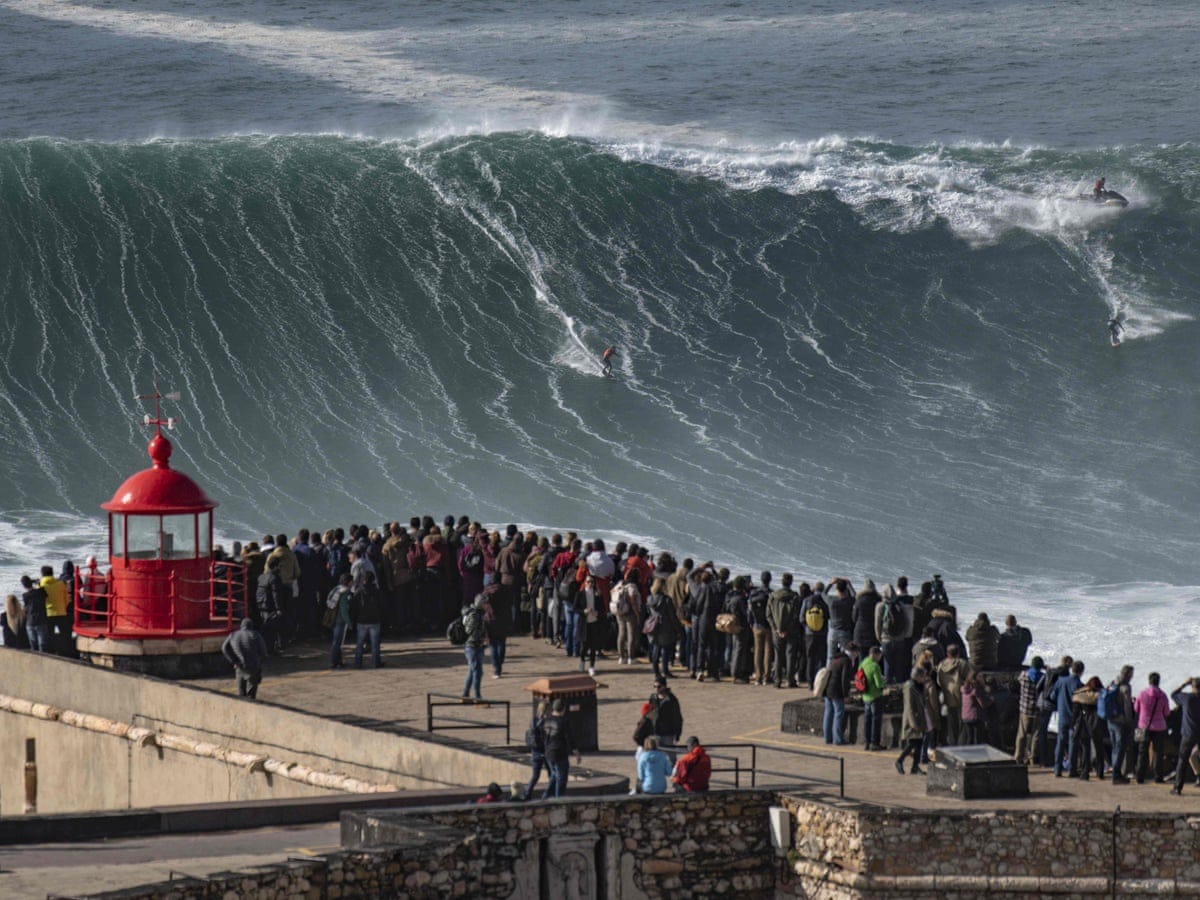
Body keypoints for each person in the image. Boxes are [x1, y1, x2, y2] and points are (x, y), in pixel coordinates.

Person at [540, 698, 581, 799]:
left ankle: (545, 796)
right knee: (561, 778)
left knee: (554, 774)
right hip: (559, 753)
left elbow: (542, 736)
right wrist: (576, 752)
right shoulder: (563, 721)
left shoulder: (546, 720)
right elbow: (569, 738)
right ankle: (559, 800)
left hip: (548, 752)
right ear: (563, 709)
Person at [1133, 672, 1169, 784]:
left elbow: (1136, 709)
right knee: (1158, 752)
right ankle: (1158, 777)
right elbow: (1166, 712)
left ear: (1149, 681)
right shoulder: (1163, 695)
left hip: (1144, 726)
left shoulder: (1142, 694)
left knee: (1142, 752)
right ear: (1159, 681)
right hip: (1159, 727)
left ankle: (1140, 776)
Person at [1050, 660, 1085, 777]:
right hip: (1074, 719)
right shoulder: (1079, 684)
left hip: (1062, 716)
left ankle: (1057, 769)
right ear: (1081, 671)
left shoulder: (1061, 681)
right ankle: (1072, 770)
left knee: (1060, 742)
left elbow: (1052, 696)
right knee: (1073, 744)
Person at [221, 618, 269, 700]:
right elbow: (264, 653)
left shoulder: (233, 635)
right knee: (251, 696)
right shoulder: (256, 635)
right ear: (251, 626)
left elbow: (224, 648)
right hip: (253, 667)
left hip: (239, 667)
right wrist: (259, 663)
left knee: (241, 694)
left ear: (241, 626)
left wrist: (234, 661)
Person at [896, 668, 933, 775]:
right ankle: (900, 760)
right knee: (913, 743)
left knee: (919, 742)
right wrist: (913, 723)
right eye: (922, 676)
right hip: (913, 719)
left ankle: (915, 767)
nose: (924, 678)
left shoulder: (918, 686)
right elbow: (909, 706)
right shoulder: (910, 687)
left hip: (920, 717)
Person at [767, 574, 801, 688]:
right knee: (790, 655)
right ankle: (790, 680)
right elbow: (796, 615)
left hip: (776, 630)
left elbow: (768, 614)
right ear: (791, 582)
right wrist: (787, 629)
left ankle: (777, 681)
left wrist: (776, 628)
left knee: (778, 655)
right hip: (791, 630)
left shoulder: (773, 596)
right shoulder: (794, 597)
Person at [936, 645, 971, 746]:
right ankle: (961, 745)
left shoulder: (941, 665)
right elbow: (969, 679)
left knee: (951, 724)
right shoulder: (962, 663)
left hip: (947, 697)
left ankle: (952, 744)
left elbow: (939, 682)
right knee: (962, 724)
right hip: (960, 696)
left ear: (947, 653)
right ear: (958, 653)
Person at [1170, 678, 1200, 796]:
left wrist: (1184, 684)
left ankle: (1178, 787)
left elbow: (1173, 694)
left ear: (1193, 687)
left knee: (1182, 760)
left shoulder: (1187, 698)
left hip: (1189, 733)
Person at [1107, 664, 1136, 784]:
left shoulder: (1113, 683)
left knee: (1115, 747)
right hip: (1120, 721)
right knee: (1120, 748)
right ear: (1128, 674)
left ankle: (1115, 771)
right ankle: (1116, 775)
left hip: (1110, 720)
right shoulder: (1126, 687)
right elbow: (1127, 706)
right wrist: (1130, 721)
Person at [1014, 656, 1045, 765]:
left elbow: (1018, 679)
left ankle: (1018, 757)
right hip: (1037, 709)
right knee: (1036, 734)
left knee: (1021, 734)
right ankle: (1032, 757)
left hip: (1025, 709)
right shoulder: (1043, 677)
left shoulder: (1024, 675)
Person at [351, 570, 384, 669]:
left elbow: (354, 607)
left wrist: (354, 618)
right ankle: (376, 662)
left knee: (359, 643)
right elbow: (382, 605)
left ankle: (358, 663)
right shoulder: (377, 591)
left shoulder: (359, 591)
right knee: (375, 643)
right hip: (375, 619)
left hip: (361, 620)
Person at [822, 642, 853, 745]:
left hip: (828, 689)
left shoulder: (835, 659)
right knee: (839, 713)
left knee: (828, 712)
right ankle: (838, 739)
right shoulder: (846, 661)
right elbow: (845, 680)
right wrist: (846, 695)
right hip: (836, 691)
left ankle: (827, 737)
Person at [748, 572, 773, 686]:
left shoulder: (754, 593)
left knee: (758, 651)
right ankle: (766, 677)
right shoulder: (771, 594)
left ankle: (758, 677)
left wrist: (751, 622)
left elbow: (749, 610)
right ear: (770, 580)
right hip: (768, 625)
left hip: (756, 625)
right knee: (768, 652)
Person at [860, 646, 886, 751]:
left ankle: (867, 742)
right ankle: (875, 743)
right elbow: (879, 684)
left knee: (867, 719)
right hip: (875, 696)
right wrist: (883, 681)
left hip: (865, 696)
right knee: (876, 720)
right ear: (875, 654)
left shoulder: (863, 662)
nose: (880, 658)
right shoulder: (875, 666)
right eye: (879, 655)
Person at [461, 594, 487, 700]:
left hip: (478, 645)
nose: (487, 605)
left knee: (472, 671)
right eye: (485, 603)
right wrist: (480, 636)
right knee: (477, 672)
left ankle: (465, 694)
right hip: (472, 646)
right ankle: (477, 696)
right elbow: (469, 630)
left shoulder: (480, 614)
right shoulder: (474, 615)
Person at [327, 573, 354, 669]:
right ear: (348, 582)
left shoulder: (336, 589)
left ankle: (338, 661)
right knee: (337, 642)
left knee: (336, 641)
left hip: (333, 618)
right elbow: (344, 609)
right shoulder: (345, 592)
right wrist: (349, 622)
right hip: (340, 620)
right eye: (352, 581)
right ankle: (335, 661)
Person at [19, 576, 49, 653]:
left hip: (30, 621)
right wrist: (38, 584)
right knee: (42, 645)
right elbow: (46, 598)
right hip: (41, 620)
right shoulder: (40, 592)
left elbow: (26, 608)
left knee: (33, 645)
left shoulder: (25, 595)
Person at [525, 701, 548, 798]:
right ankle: (547, 795)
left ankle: (527, 794)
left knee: (535, 776)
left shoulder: (533, 720)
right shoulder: (545, 721)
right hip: (544, 751)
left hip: (535, 751)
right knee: (552, 774)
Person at [651, 677, 684, 746]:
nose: (656, 689)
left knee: (669, 752)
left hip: (667, 734)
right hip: (655, 732)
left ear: (664, 686)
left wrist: (677, 734)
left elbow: (677, 718)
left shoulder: (672, 700)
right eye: (654, 686)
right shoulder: (653, 698)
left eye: (659, 686)